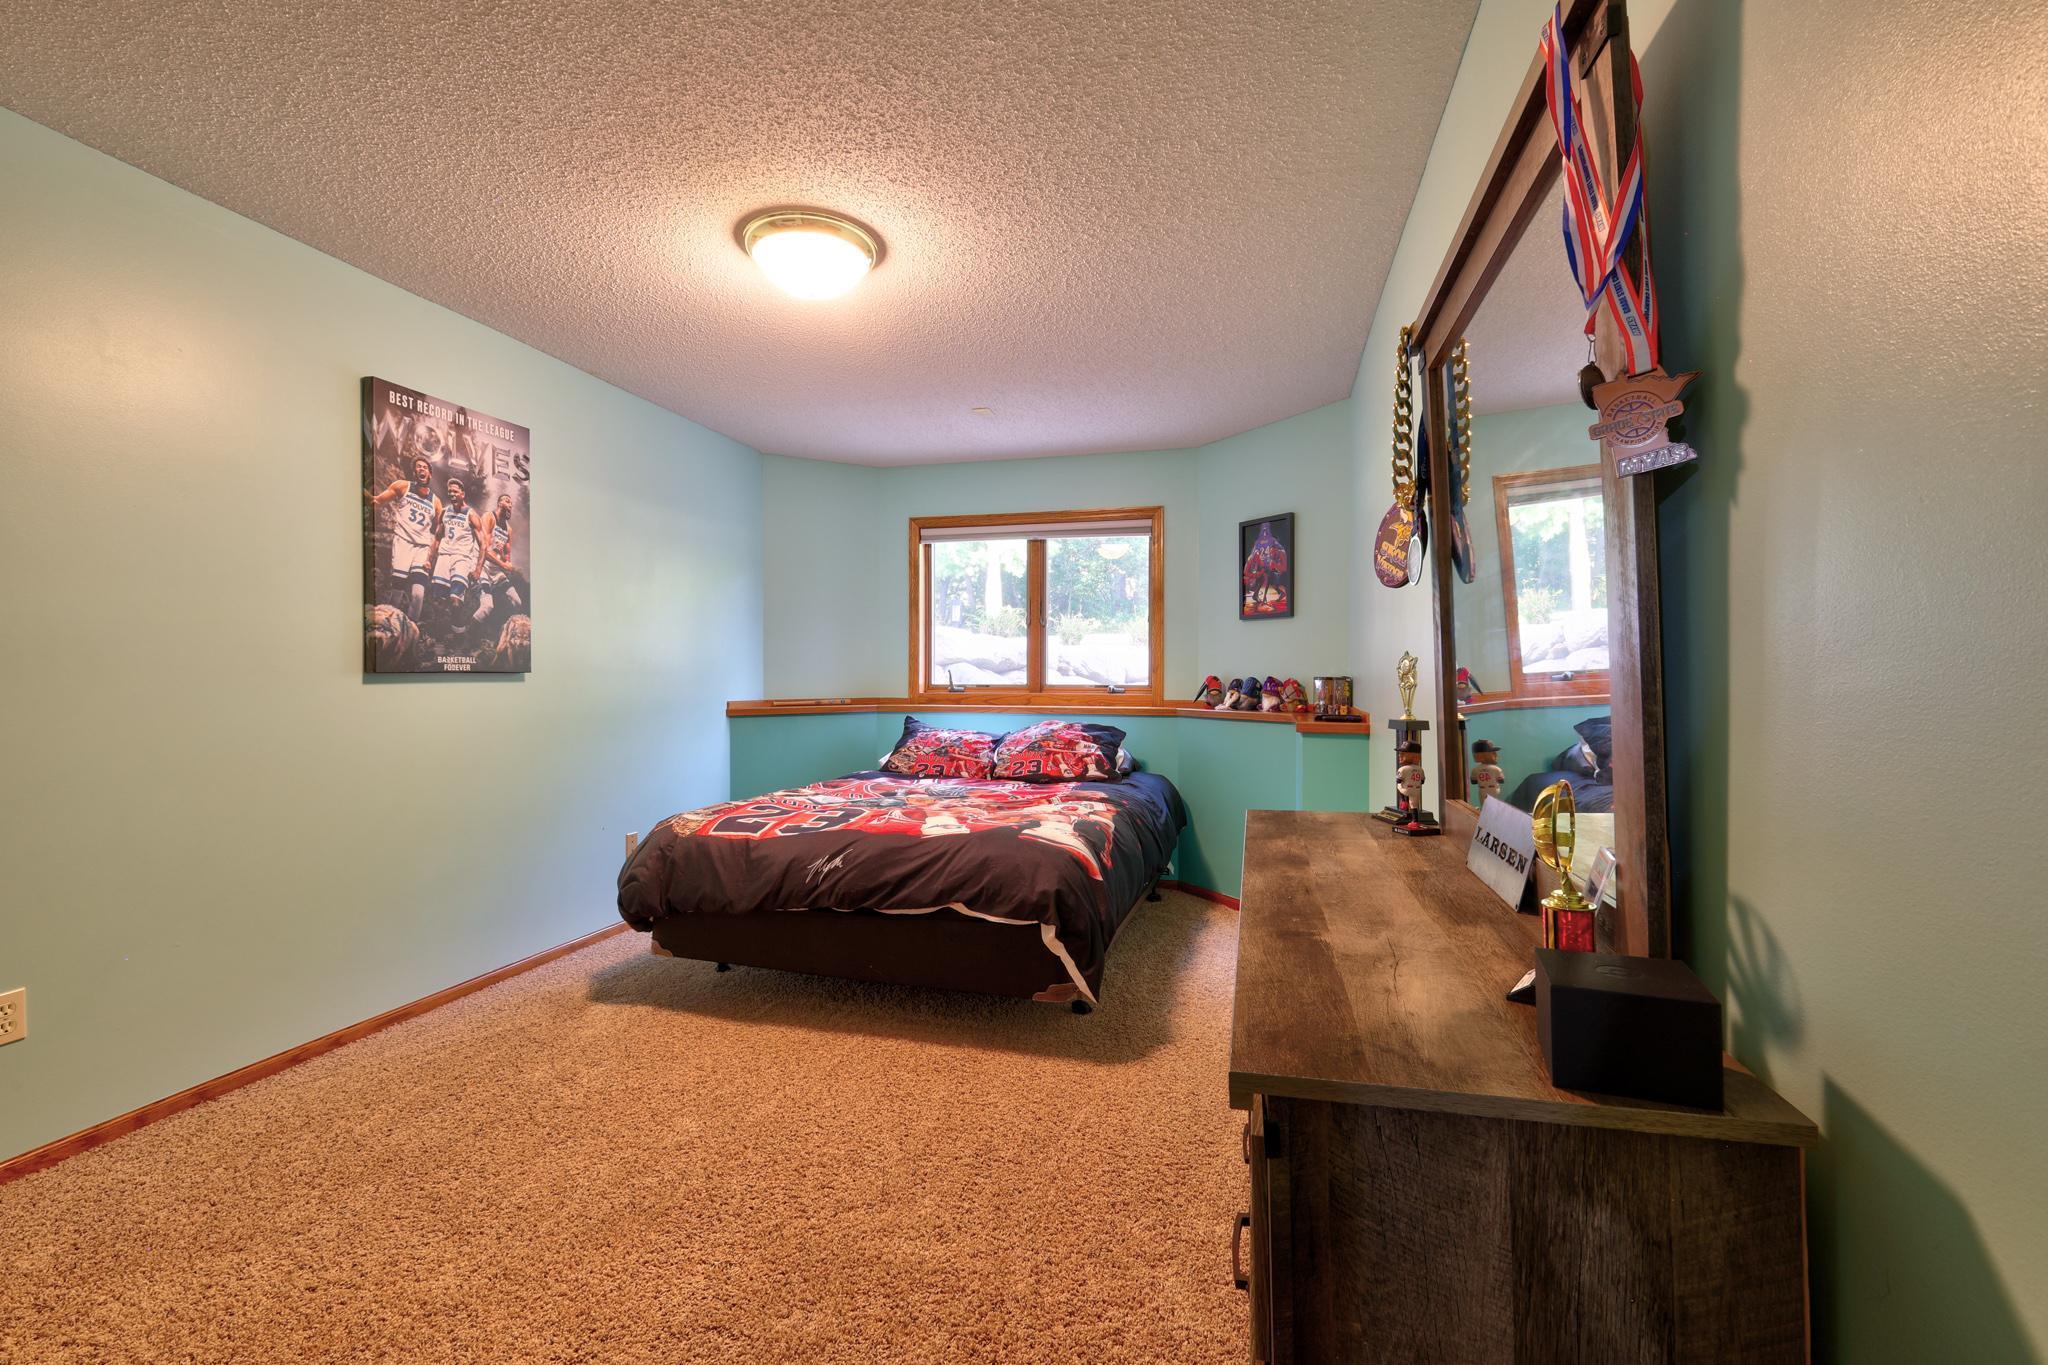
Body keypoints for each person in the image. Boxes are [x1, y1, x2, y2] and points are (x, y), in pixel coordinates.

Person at [365, 455, 441, 622]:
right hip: (403, 543)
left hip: (422, 548)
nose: (421, 469)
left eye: (425, 467)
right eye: (418, 467)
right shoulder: (402, 486)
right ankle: (389, 625)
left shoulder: (436, 502)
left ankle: (411, 629)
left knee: (418, 595)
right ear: (415, 472)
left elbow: (439, 533)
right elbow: (377, 501)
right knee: (397, 592)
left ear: (430, 474)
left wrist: (431, 556)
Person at [431, 476, 486, 631]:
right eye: (450, 492)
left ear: (463, 494)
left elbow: (483, 545)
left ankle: (458, 632)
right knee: (438, 601)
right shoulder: (444, 512)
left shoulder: (471, 515)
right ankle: (439, 634)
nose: (452, 494)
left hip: (462, 558)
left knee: (455, 601)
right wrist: (430, 559)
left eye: (455, 492)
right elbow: (437, 537)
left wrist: (478, 569)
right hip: (444, 556)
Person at [471, 492, 527, 630]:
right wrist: (503, 564)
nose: (510, 505)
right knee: (487, 606)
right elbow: (484, 550)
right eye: (507, 501)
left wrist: (505, 559)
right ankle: (467, 634)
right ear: (499, 503)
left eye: (511, 503)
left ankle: (503, 630)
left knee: (517, 602)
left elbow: (507, 557)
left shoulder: (508, 529)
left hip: (496, 571)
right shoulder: (489, 517)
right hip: (483, 566)